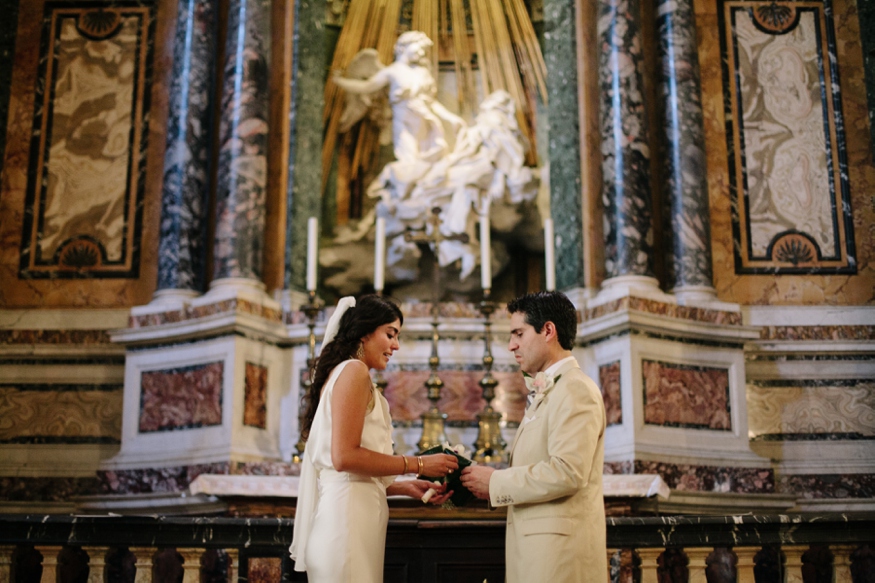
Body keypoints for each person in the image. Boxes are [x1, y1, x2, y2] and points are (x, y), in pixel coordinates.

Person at [290, 295, 459, 582]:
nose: (396, 345)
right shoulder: (353, 372)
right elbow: (344, 458)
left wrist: (404, 488)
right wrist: (418, 464)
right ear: (365, 332)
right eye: (390, 334)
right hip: (346, 527)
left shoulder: (349, 373)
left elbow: (353, 474)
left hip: (352, 521)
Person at [460, 291, 607, 582]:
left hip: (559, 557)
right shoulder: (551, 389)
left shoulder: (576, 389)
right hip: (537, 552)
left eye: (519, 333)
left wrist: (496, 481)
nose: (511, 345)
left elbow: (568, 472)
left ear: (548, 330)